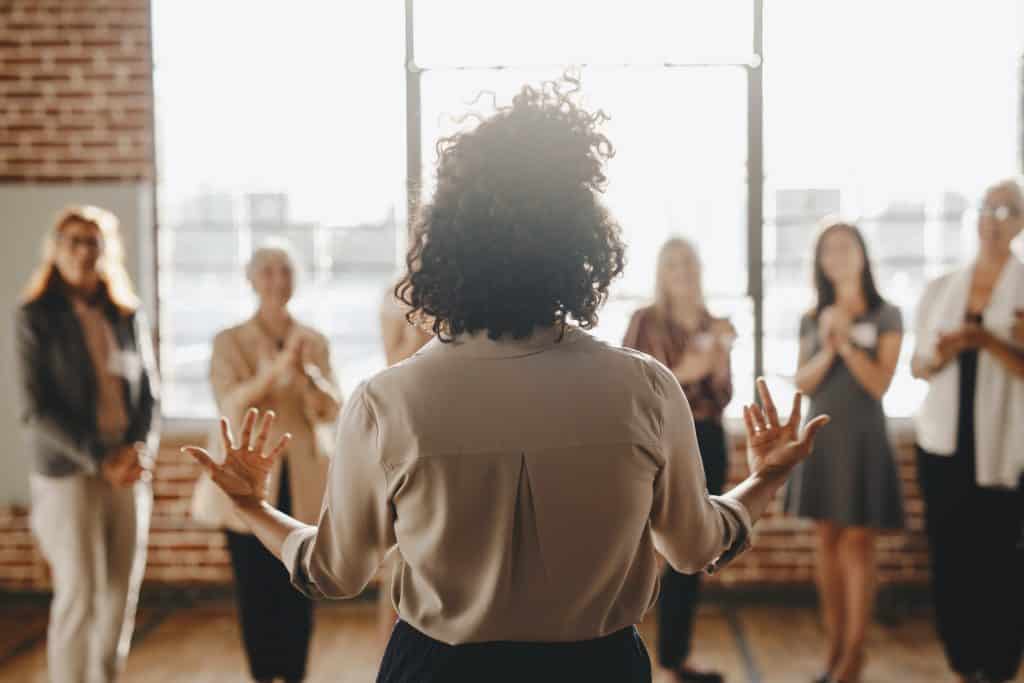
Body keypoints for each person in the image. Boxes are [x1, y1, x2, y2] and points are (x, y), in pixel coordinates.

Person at [183, 77, 829, 683]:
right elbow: (696, 547)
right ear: (582, 247)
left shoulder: (387, 402)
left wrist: (251, 505)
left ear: (442, 249)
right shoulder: (646, 390)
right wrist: (767, 476)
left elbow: (333, 571)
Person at [16, 205, 160, 683]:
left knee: (119, 595)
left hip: (127, 469)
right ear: (56, 250)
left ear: (106, 251)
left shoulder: (125, 313)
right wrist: (102, 460)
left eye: (92, 242)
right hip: (69, 473)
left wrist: (138, 450)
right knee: (80, 593)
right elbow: (37, 410)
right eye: (73, 241)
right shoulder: (36, 316)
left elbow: (149, 394)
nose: (83, 251)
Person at [190, 243, 341, 683]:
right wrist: (275, 372)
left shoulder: (314, 340)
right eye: (268, 271)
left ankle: (295, 675)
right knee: (255, 589)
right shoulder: (228, 341)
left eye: (286, 270)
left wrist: (308, 375)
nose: (278, 280)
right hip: (248, 477)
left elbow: (332, 409)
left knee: (301, 582)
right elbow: (230, 404)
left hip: (303, 480)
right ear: (251, 280)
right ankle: (262, 675)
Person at [911, 179, 1024, 683]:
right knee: (951, 556)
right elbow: (919, 366)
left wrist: (989, 341)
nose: (993, 219)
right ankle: (961, 662)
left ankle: (998, 667)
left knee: (1001, 561)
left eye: (1007, 210)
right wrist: (944, 353)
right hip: (944, 446)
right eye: (986, 208)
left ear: (1021, 223)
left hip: (1005, 448)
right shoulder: (942, 288)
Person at [785, 220, 904, 683]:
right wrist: (830, 347)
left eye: (844, 245)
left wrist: (848, 341)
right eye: (827, 248)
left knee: (858, 543)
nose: (836, 254)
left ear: (862, 253)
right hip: (824, 437)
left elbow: (879, 384)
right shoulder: (812, 317)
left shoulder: (886, 314)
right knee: (827, 541)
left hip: (864, 437)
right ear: (820, 262)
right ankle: (833, 649)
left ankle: (855, 654)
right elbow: (803, 381)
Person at [623, 237, 735, 683]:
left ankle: (675, 658)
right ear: (660, 273)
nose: (682, 270)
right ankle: (619, 654)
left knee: (694, 550)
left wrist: (717, 361)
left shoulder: (714, 323)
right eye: (672, 263)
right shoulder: (644, 321)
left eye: (688, 262)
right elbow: (636, 387)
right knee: (634, 549)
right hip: (655, 441)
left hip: (706, 439)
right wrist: (692, 368)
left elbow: (722, 394)